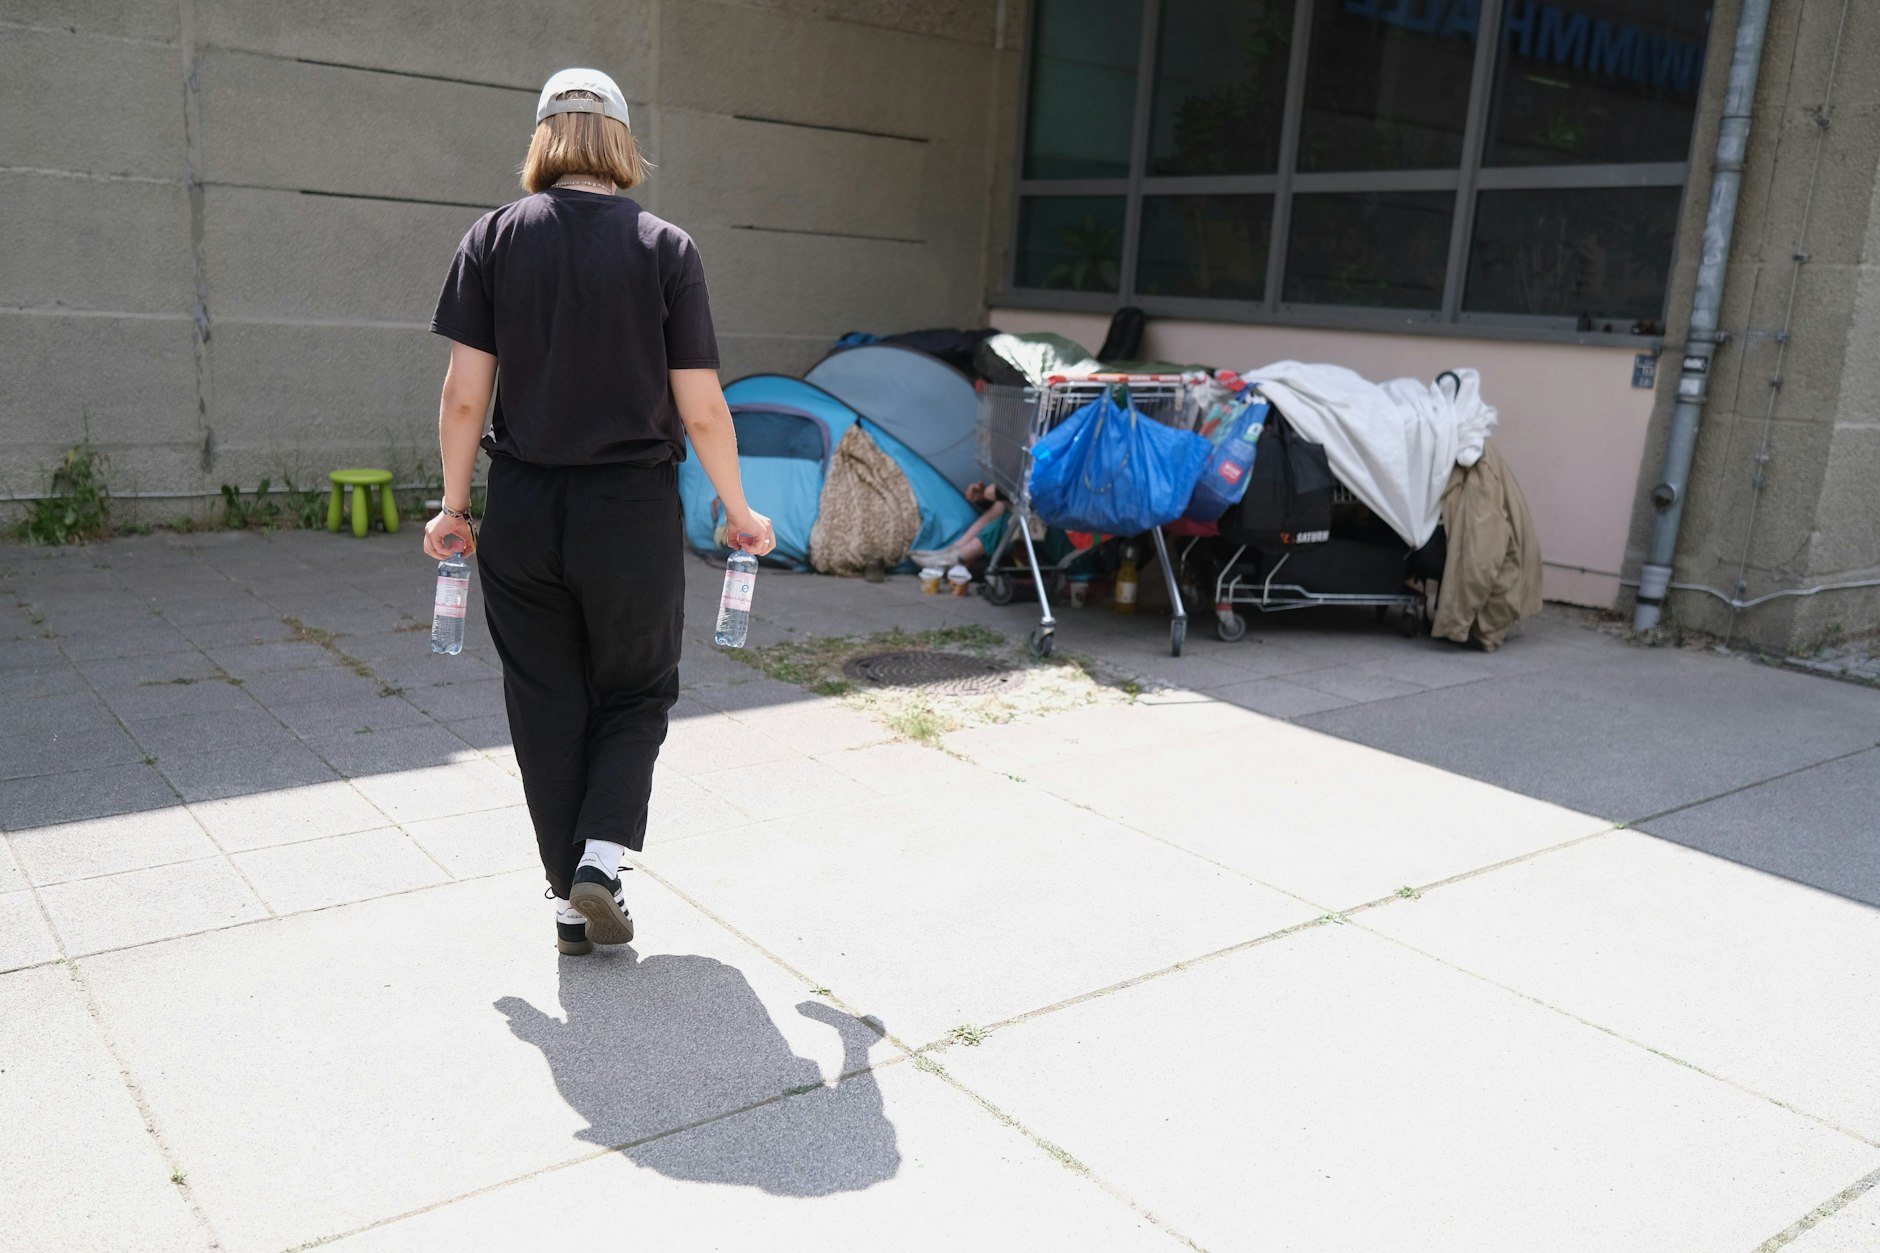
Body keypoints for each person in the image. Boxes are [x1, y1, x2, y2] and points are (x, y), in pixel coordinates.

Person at [423, 67, 773, 957]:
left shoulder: (493, 237)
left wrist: (455, 506)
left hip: (527, 507)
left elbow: (466, 397)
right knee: (638, 688)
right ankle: (602, 862)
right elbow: (701, 408)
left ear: (544, 137)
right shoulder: (666, 247)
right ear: (620, 141)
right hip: (629, 512)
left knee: (545, 702)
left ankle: (568, 902)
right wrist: (739, 510)